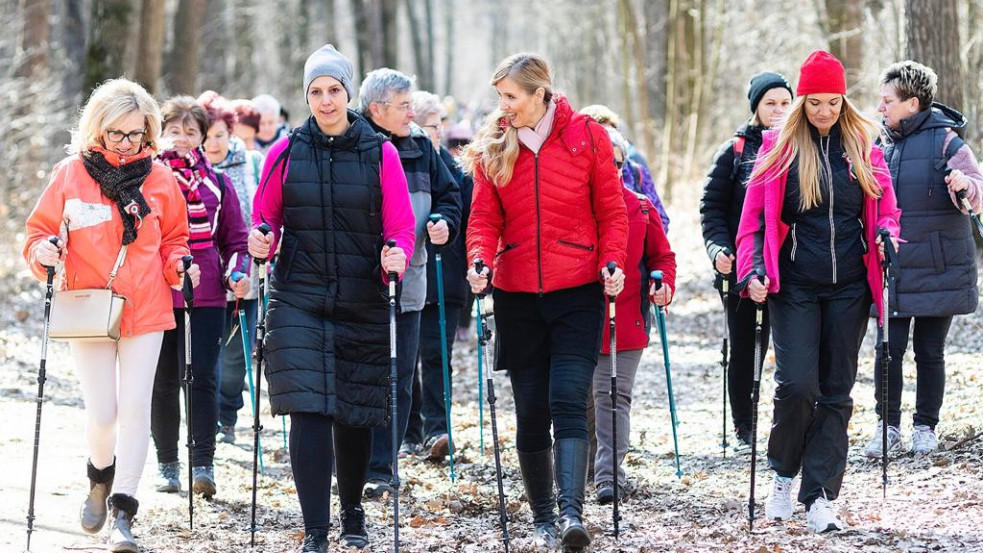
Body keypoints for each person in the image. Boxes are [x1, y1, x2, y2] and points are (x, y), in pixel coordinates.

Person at [248, 44, 416, 552]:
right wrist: (260, 238)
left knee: (354, 411)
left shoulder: (380, 152)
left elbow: (402, 226)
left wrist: (397, 254)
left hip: (361, 297)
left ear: (348, 93)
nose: (325, 101)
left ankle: (352, 510)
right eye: (315, 92)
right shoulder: (285, 152)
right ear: (306, 96)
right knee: (309, 411)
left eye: (334, 90)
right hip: (298, 296)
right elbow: (266, 218)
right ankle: (316, 530)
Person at [24, 77, 199, 552]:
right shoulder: (70, 174)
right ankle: (99, 479)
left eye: (135, 135)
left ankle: (124, 510)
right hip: (89, 308)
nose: (126, 145)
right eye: (116, 134)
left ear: (149, 134)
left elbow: (175, 240)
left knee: (136, 408)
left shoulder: (161, 180)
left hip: (145, 306)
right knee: (104, 413)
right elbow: (37, 233)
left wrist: (179, 264)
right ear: (97, 130)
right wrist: (44, 250)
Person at [462, 53, 628, 551]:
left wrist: (612, 262)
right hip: (516, 297)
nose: (504, 106)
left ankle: (572, 514)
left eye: (511, 97)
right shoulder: (495, 144)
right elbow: (483, 220)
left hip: (577, 292)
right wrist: (478, 260)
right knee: (532, 410)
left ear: (541, 94)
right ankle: (541, 518)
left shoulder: (588, 137)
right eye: (500, 97)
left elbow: (613, 211)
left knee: (568, 399)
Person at [735, 50, 901, 533]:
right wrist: (753, 271)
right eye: (815, 103)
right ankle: (784, 473)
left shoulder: (864, 147)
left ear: (843, 100)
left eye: (833, 102)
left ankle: (821, 495)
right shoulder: (778, 150)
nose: (824, 112)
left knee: (836, 391)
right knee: (797, 386)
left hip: (850, 286)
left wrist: (887, 233)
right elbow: (752, 226)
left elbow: (887, 209)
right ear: (802, 102)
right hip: (796, 287)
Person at [865, 60, 983, 457]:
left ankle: (924, 427)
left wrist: (963, 184)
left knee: (930, 351)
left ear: (912, 103)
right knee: (888, 349)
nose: (881, 107)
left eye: (888, 100)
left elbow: (976, 192)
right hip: (893, 267)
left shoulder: (948, 142)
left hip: (938, 266)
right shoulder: (878, 144)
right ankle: (887, 425)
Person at [357, 69, 461, 497]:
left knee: (399, 377)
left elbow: (449, 194)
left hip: (412, 282)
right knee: (362, 376)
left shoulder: (420, 144)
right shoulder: (353, 143)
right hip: (358, 288)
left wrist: (443, 222)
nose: (411, 112)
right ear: (376, 109)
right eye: (404, 105)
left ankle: (383, 467)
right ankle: (355, 462)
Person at [150, 96, 250, 499]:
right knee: (163, 381)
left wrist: (237, 272)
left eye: (191, 131)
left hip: (207, 294)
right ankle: (167, 464)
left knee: (203, 379)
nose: (182, 138)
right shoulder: (146, 179)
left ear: (203, 138)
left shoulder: (218, 184)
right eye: (174, 129)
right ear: (159, 133)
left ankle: (202, 464)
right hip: (157, 292)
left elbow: (236, 239)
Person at [700, 71, 793, 447]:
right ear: (756, 107)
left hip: (791, 267)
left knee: (788, 348)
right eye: (770, 103)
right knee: (745, 348)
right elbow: (712, 208)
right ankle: (745, 424)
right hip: (743, 269)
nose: (779, 110)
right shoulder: (736, 150)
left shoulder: (800, 145)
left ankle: (788, 421)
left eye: (786, 103)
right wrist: (719, 250)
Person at [591, 127, 676, 503]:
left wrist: (663, 285)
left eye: (616, 162)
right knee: (582, 400)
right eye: (600, 162)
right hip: (576, 319)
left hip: (627, 319)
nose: (609, 169)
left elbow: (662, 257)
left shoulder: (640, 206)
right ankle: (576, 475)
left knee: (613, 394)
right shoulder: (569, 209)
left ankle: (609, 477)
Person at [402, 91, 473, 460]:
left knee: (436, 355)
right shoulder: (399, 160)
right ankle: (409, 431)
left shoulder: (456, 169)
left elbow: (470, 215)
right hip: (409, 277)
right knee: (405, 357)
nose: (425, 132)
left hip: (447, 276)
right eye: (418, 125)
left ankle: (437, 429)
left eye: (432, 126)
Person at [199, 92, 266, 444]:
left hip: (244, 276)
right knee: (206, 355)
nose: (212, 144)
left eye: (219, 136)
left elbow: (263, 211)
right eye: (206, 136)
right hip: (203, 279)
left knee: (235, 357)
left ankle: (226, 416)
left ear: (231, 133)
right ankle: (205, 419)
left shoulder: (252, 164)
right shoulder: (188, 170)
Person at [579, 104, 670, 231]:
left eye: (612, 131)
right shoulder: (577, 179)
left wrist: (641, 236)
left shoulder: (637, 171)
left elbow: (660, 220)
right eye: (601, 132)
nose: (608, 138)